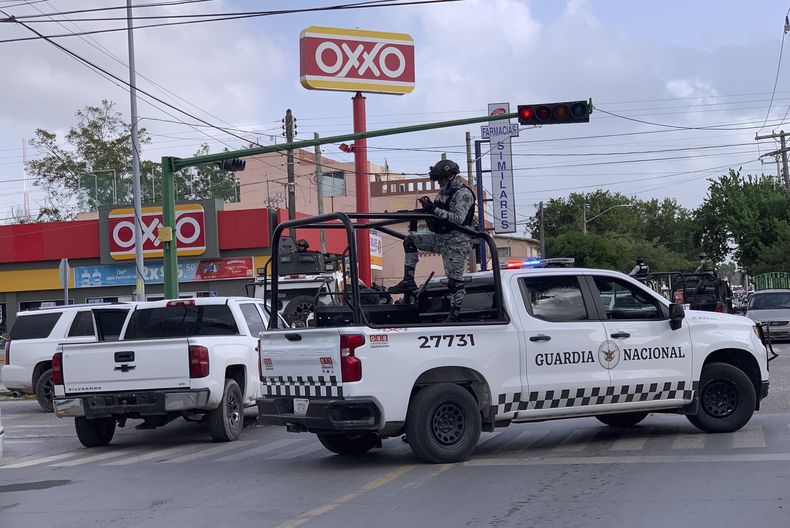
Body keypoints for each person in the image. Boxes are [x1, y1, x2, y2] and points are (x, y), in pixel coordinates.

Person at [389, 159, 475, 322]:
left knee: (454, 282)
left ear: (451, 176)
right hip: (441, 237)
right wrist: (428, 207)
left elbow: (457, 218)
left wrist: (432, 209)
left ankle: (454, 315)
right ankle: (408, 280)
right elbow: (437, 213)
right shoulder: (443, 192)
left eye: (441, 179)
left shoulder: (463, 194)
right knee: (410, 241)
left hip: (457, 241)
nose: (439, 183)